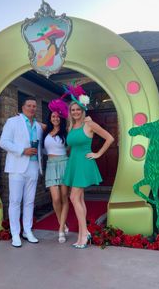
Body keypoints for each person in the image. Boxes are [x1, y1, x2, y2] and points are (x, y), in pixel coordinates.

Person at [63, 87, 114, 249]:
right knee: (79, 198)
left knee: (73, 198)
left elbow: (110, 138)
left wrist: (98, 154)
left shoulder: (89, 123)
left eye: (78, 109)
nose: (75, 112)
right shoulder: (71, 126)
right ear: (70, 112)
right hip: (74, 163)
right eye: (73, 110)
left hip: (84, 163)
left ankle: (84, 233)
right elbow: (71, 147)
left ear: (83, 109)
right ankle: (83, 233)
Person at [0, 97, 43, 247]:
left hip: (33, 167)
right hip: (17, 167)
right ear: (23, 107)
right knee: (15, 201)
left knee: (30, 201)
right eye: (29, 105)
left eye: (34, 106)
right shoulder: (13, 122)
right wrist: (22, 150)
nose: (32, 108)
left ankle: (27, 231)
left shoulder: (37, 126)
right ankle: (15, 234)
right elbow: (3, 142)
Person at [43, 98, 69, 243]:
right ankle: (62, 223)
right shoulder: (45, 130)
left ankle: (60, 229)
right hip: (51, 165)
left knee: (64, 197)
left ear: (61, 118)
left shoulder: (66, 131)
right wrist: (19, 117)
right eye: (53, 116)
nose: (55, 118)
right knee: (56, 198)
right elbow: (32, 123)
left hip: (64, 163)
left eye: (58, 116)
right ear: (50, 118)